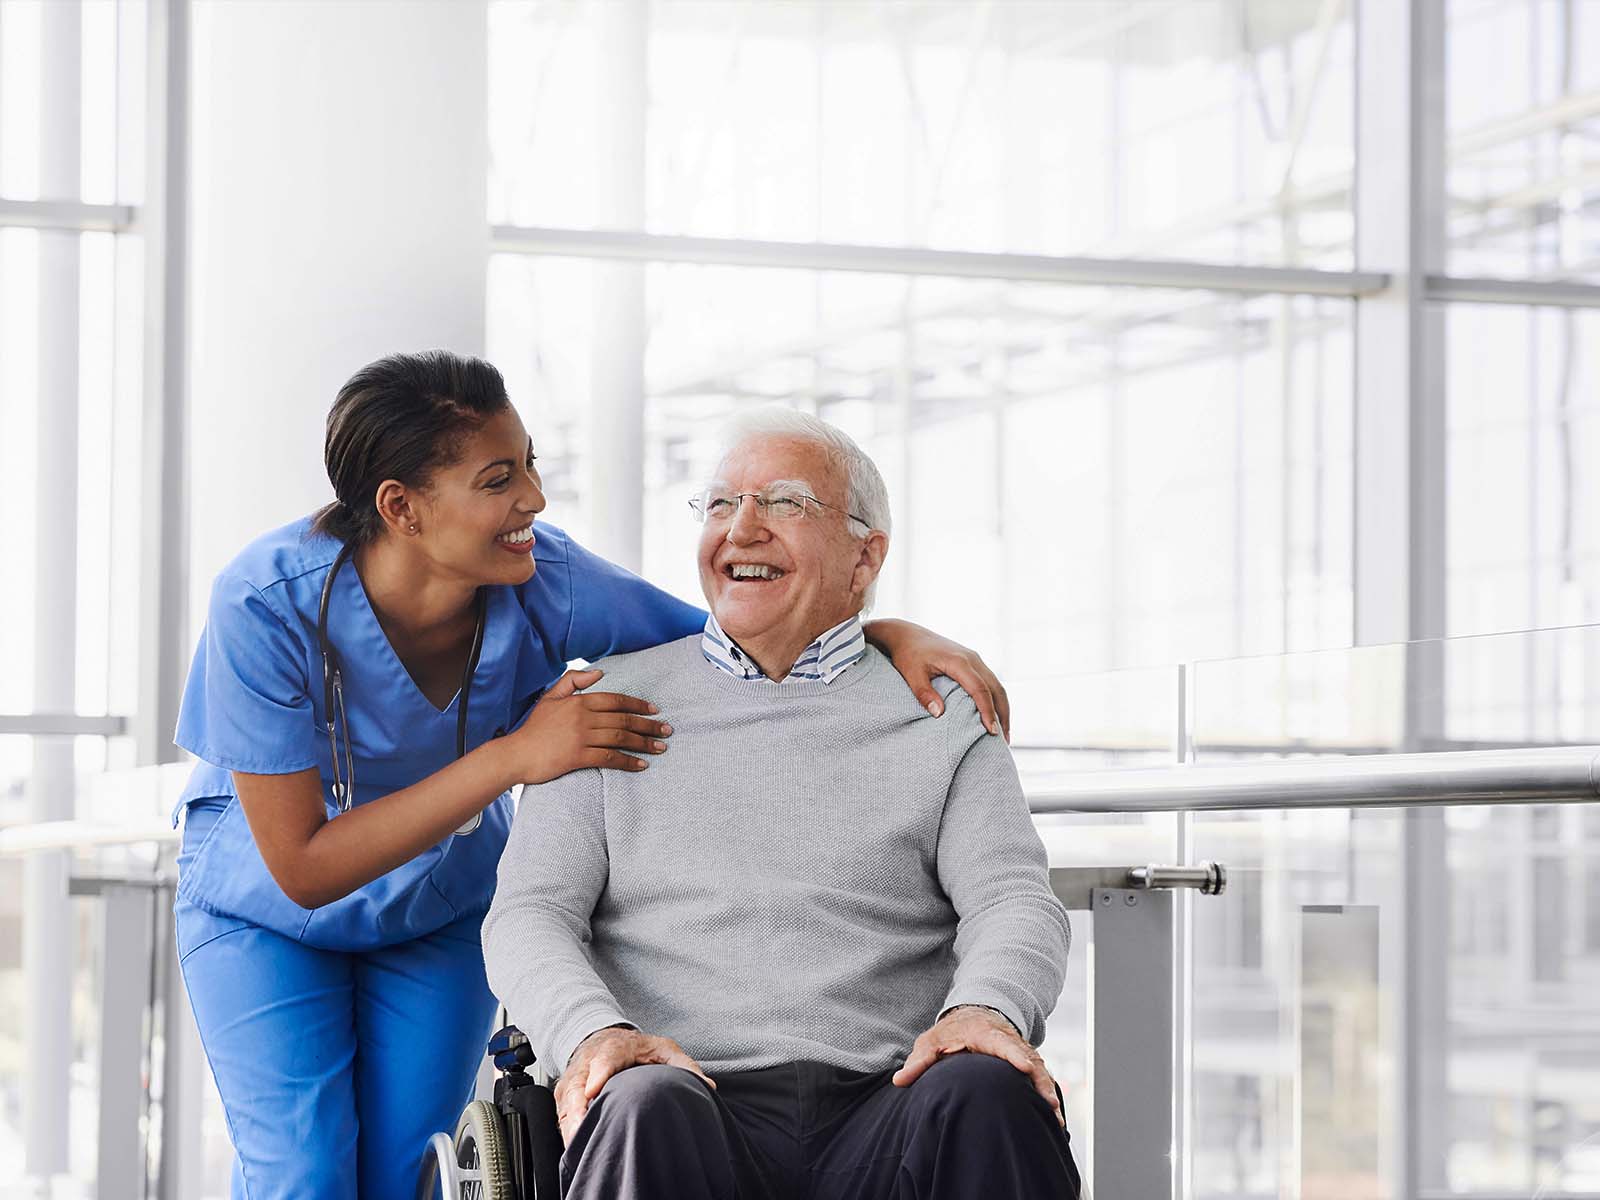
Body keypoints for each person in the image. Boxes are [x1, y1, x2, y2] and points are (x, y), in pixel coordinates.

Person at [171, 351, 1014, 1200]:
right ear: (404, 507)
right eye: (499, 479)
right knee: (302, 1174)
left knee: (406, 1174)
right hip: (267, 911)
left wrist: (886, 631)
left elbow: (747, 634)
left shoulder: (547, 578)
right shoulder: (265, 603)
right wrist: (514, 757)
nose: (533, 497)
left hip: (432, 905)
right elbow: (304, 868)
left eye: (530, 463)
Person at [482, 406, 1080, 1200]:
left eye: (786, 503)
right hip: (683, 1093)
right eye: (721, 504)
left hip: (890, 1094)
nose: (743, 528)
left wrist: (988, 1010)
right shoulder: (603, 703)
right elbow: (529, 914)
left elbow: (1013, 899)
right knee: (640, 1101)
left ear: (864, 558)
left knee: (985, 1088)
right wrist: (596, 1034)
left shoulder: (940, 714)